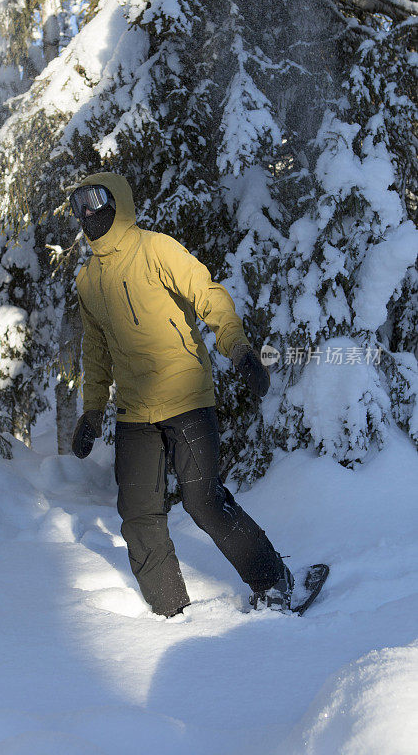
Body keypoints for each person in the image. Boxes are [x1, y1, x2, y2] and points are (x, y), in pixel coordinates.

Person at [69, 172, 293, 617]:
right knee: (137, 514)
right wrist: (92, 411)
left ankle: (275, 582)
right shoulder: (88, 280)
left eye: (95, 199)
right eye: (78, 205)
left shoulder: (156, 249)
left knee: (203, 499)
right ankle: (171, 613)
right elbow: (95, 351)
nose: (88, 212)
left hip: (186, 395)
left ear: (119, 201)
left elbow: (208, 295)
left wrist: (239, 349)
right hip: (134, 411)